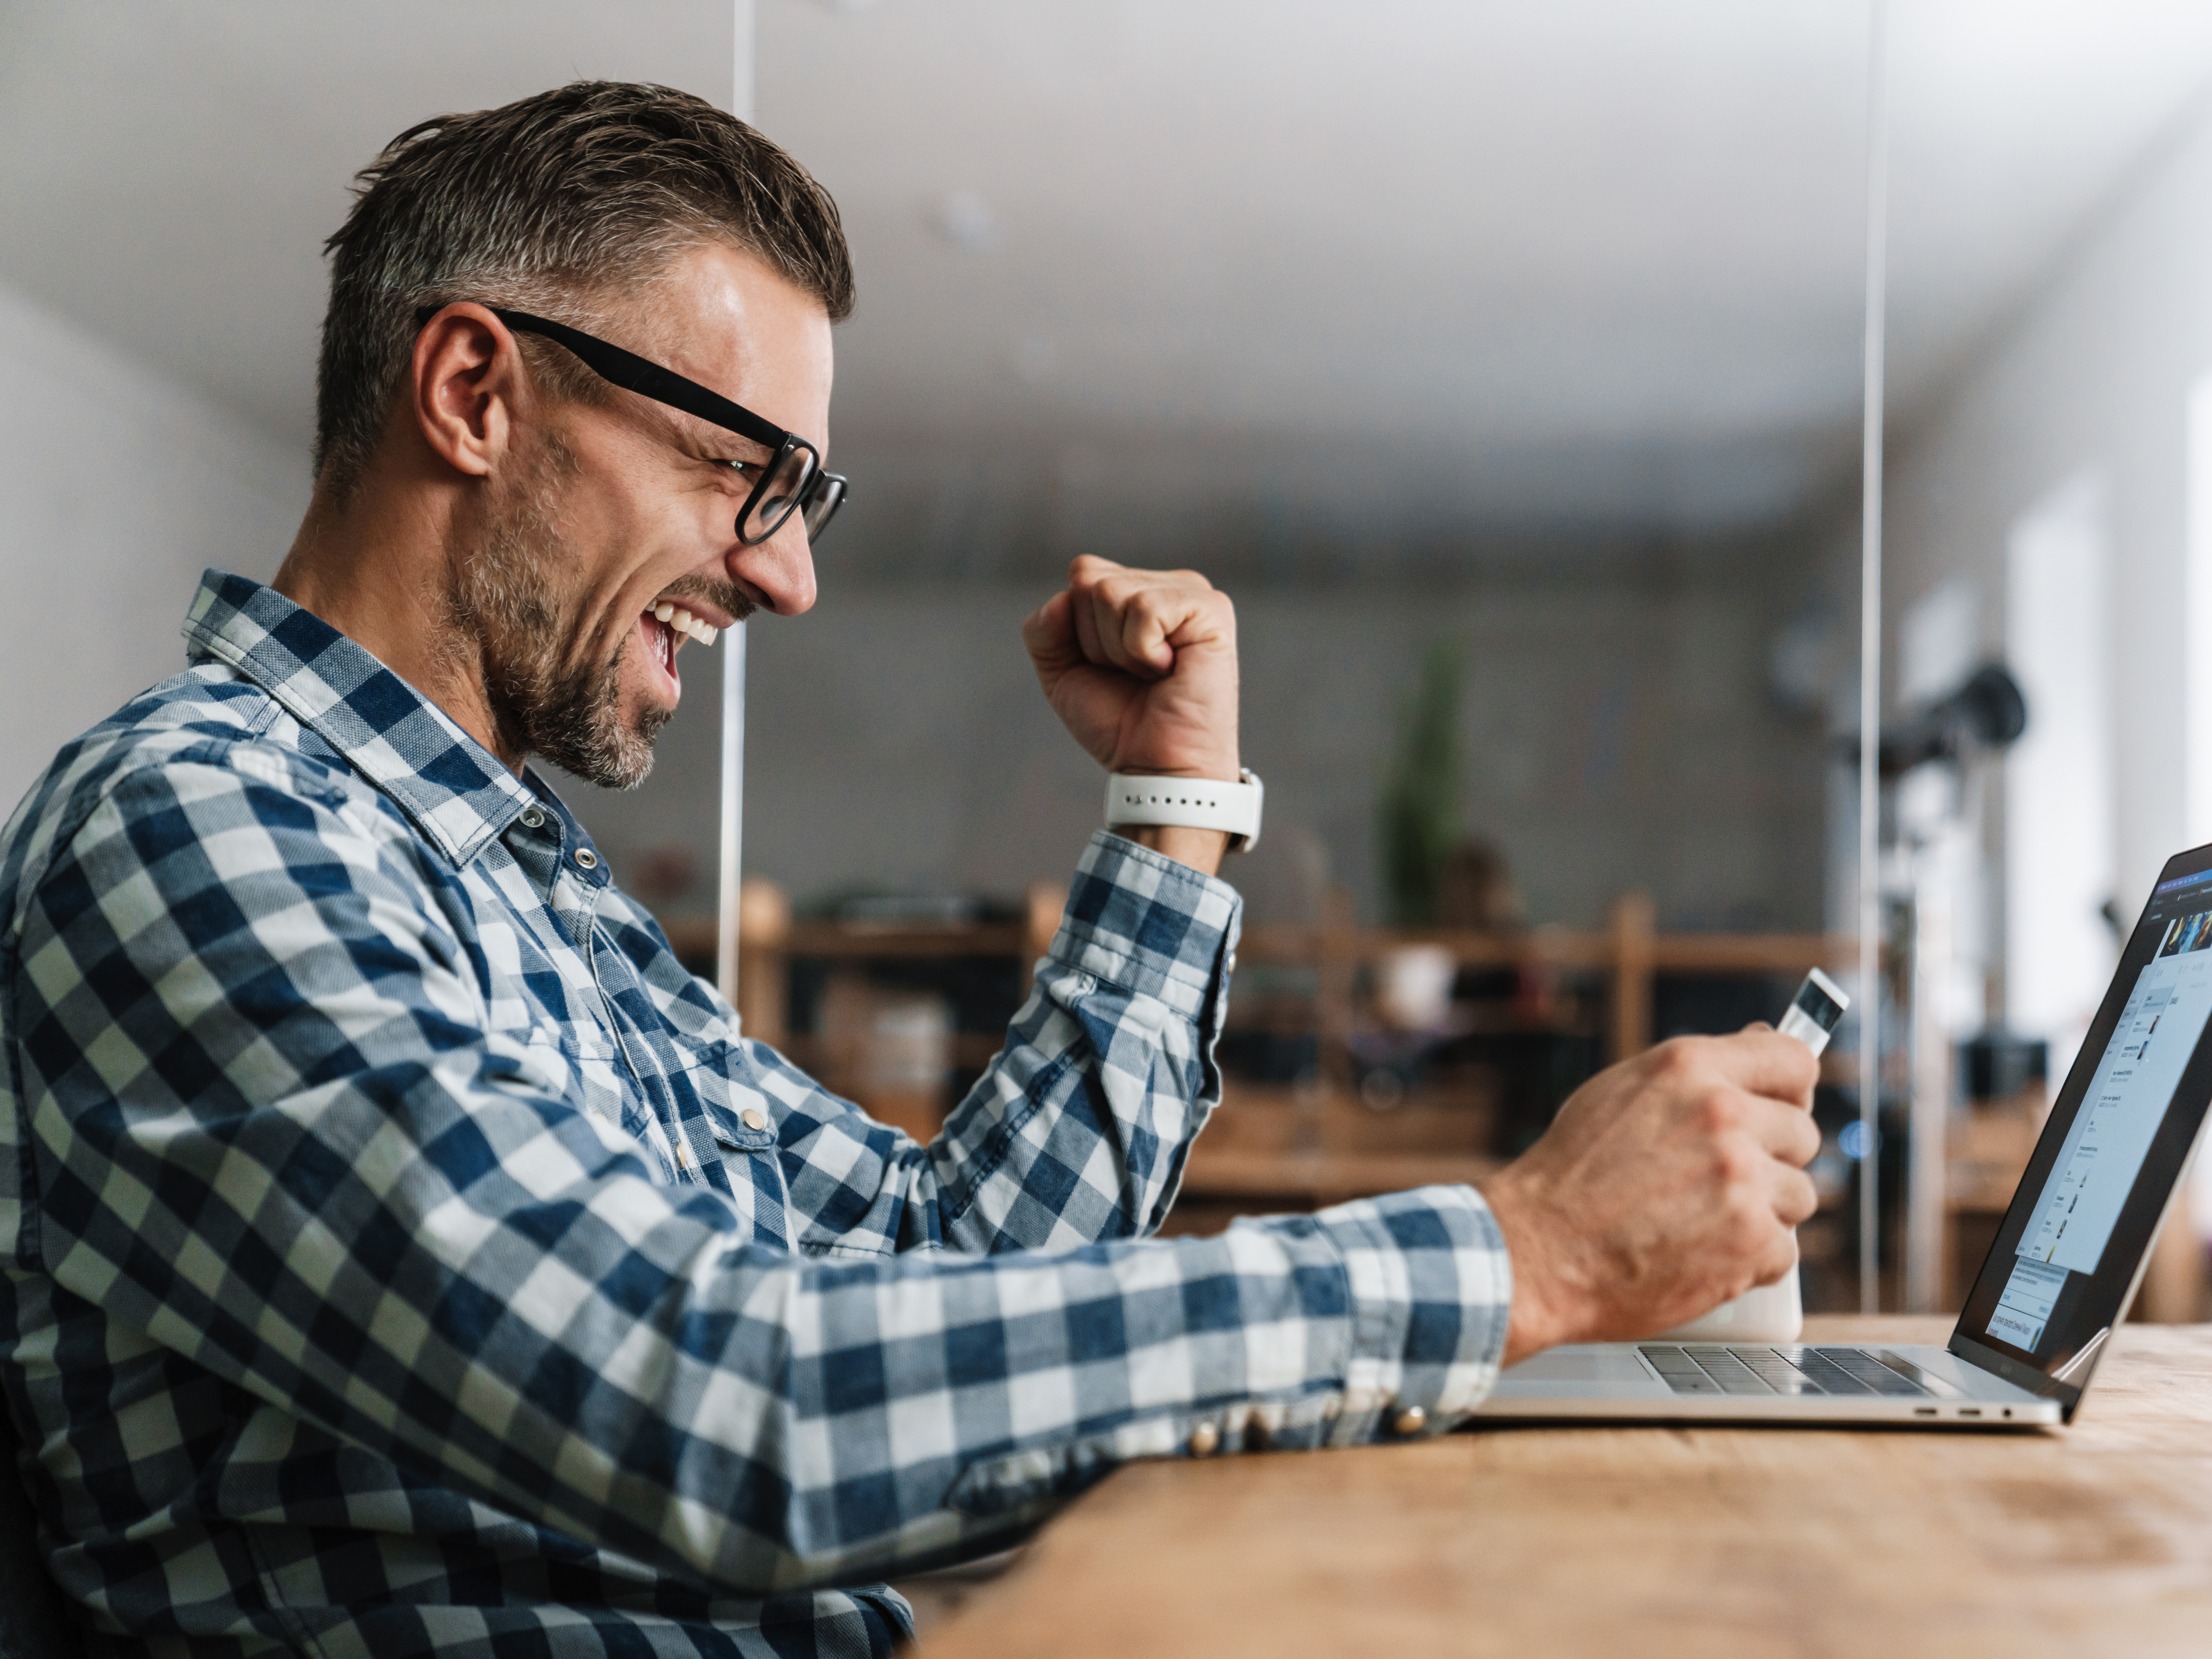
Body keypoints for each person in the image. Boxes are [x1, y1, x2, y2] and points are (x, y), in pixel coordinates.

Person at [0, 82, 1821, 1657]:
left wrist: (1175, 808)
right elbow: (731, 1407)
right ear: (474, 392)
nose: (786, 575)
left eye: (804, 501)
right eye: (747, 471)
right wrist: (1521, 1253)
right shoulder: (190, 827)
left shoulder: (515, 874)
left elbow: (959, 1265)